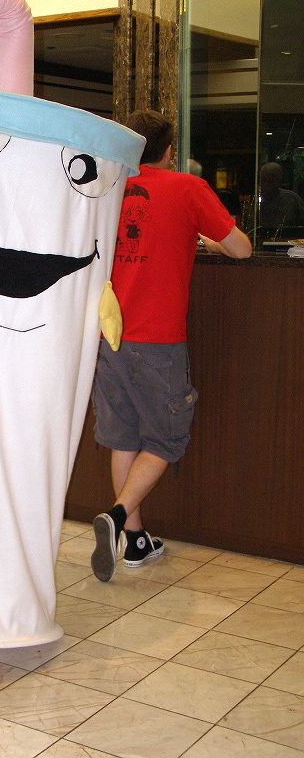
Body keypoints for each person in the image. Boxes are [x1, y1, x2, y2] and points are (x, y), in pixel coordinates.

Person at [91, 110, 252, 583]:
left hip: (107, 335)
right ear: (167, 151)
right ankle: (119, 515)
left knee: (124, 436)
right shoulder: (187, 188)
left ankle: (135, 540)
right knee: (166, 439)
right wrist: (206, 237)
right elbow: (241, 248)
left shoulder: (106, 184)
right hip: (157, 339)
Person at [259, 161, 304, 242]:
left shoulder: (292, 199)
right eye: (264, 180)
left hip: (289, 245)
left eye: (271, 180)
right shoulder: (256, 201)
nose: (267, 184)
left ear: (279, 180)